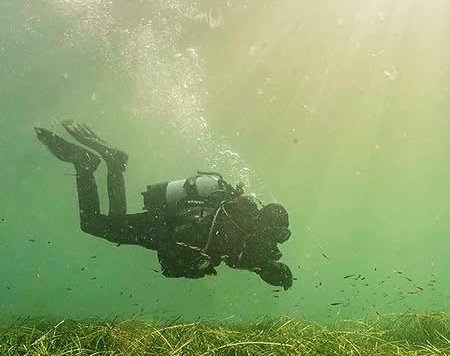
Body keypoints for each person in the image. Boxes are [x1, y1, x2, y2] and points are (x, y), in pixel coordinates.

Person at [34, 121, 294, 290]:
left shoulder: (239, 226)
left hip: (162, 223)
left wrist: (265, 268)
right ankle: (85, 163)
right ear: (263, 226)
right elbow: (180, 241)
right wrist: (192, 267)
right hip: (159, 228)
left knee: (115, 220)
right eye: (276, 235)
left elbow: (244, 258)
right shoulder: (233, 232)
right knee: (94, 224)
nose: (275, 244)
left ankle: (113, 163)